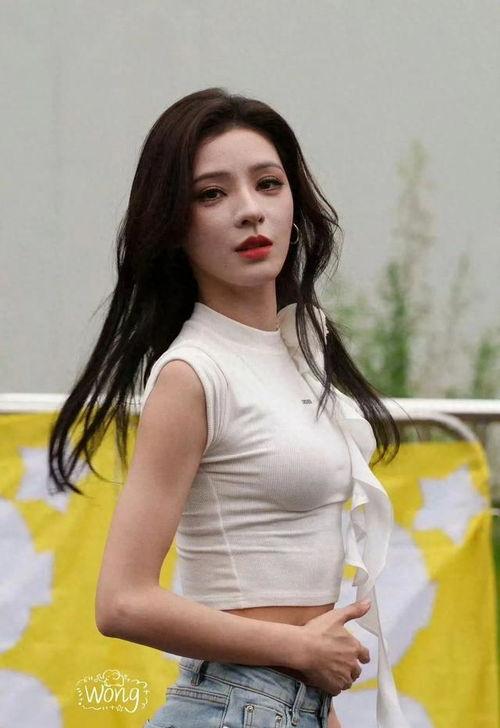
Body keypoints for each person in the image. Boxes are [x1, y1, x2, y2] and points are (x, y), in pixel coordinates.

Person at [47, 87, 410, 728]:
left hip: (290, 706)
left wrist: (315, 700)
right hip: (233, 704)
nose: (250, 211)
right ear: (174, 223)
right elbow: (122, 602)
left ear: (294, 200)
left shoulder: (301, 347)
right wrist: (298, 649)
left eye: (268, 184)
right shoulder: (193, 373)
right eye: (212, 194)